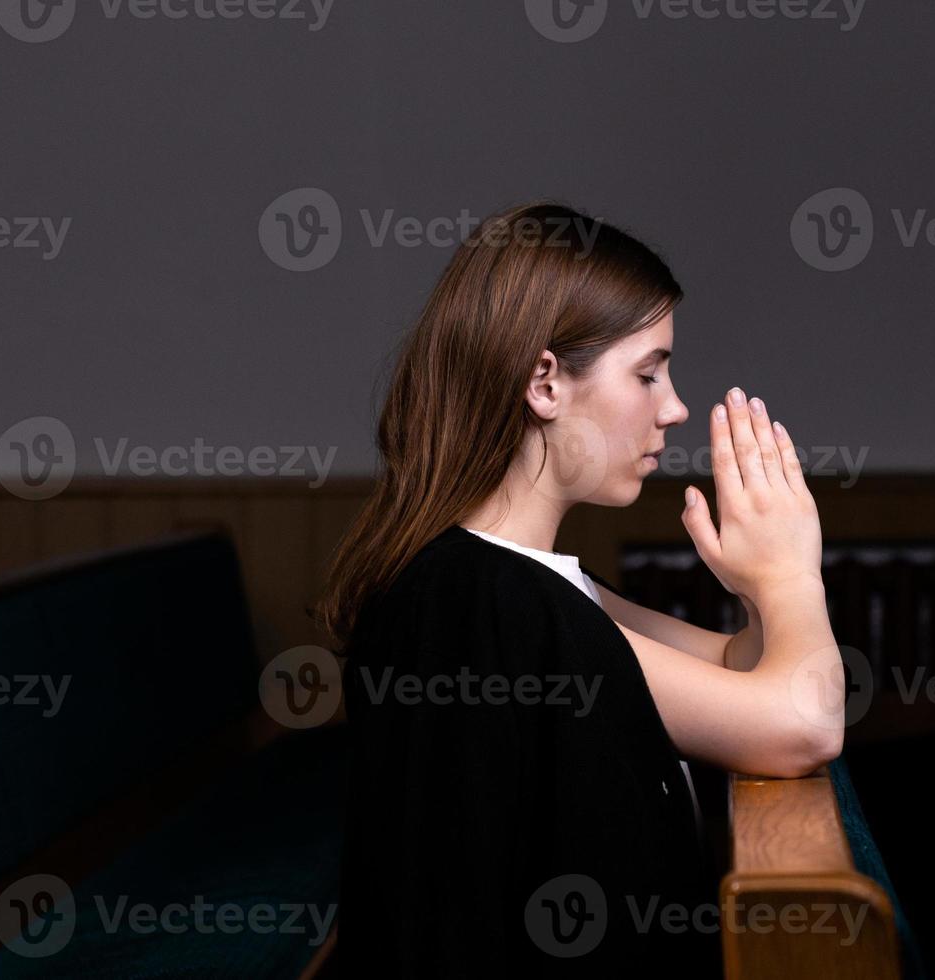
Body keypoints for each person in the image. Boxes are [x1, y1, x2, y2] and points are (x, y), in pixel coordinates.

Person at [316, 200, 845, 977]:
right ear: (545, 383)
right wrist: (791, 573)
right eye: (648, 373)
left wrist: (758, 585)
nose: (673, 408)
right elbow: (802, 725)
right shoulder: (484, 599)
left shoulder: (524, 585)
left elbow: (741, 669)